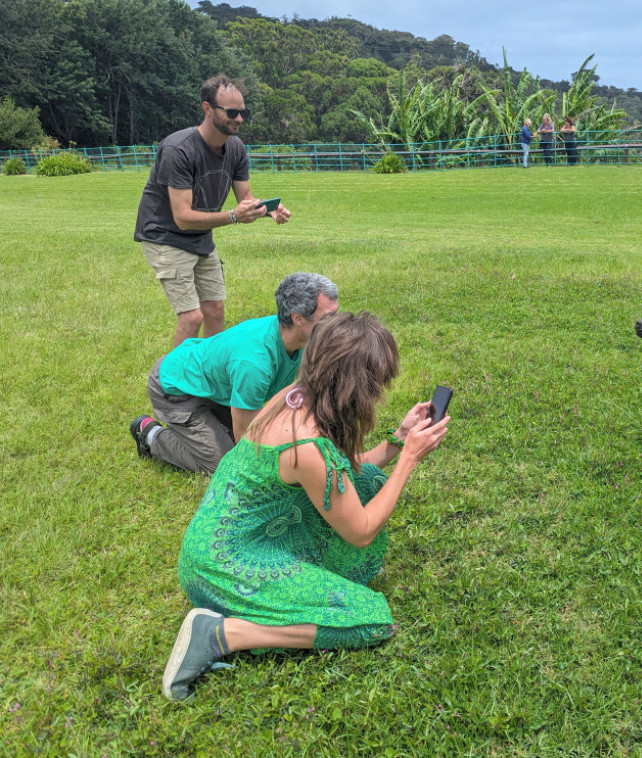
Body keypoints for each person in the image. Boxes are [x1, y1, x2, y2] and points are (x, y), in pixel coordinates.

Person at [161, 311, 449, 701]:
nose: (379, 394)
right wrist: (409, 459)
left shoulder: (293, 398)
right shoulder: (309, 447)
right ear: (356, 386)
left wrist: (398, 439)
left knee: (362, 482)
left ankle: (256, 610)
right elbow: (361, 530)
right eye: (377, 385)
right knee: (368, 619)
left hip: (215, 545)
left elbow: (343, 474)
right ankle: (222, 634)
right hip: (224, 567)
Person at [135, 74, 292, 348]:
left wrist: (268, 210)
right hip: (165, 236)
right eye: (232, 112)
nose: (239, 119)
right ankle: (173, 385)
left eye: (242, 112)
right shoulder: (178, 149)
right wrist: (233, 216)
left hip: (200, 237)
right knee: (192, 317)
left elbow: (246, 198)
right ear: (207, 108)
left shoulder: (236, 148)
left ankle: (209, 378)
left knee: (215, 312)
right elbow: (183, 218)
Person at [129, 273, 338, 475]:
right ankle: (150, 434)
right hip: (175, 389)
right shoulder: (254, 363)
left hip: (211, 387)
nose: (337, 324)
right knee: (225, 464)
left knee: (268, 433)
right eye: (329, 317)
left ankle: (206, 426)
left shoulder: (299, 339)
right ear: (298, 318)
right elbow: (246, 437)